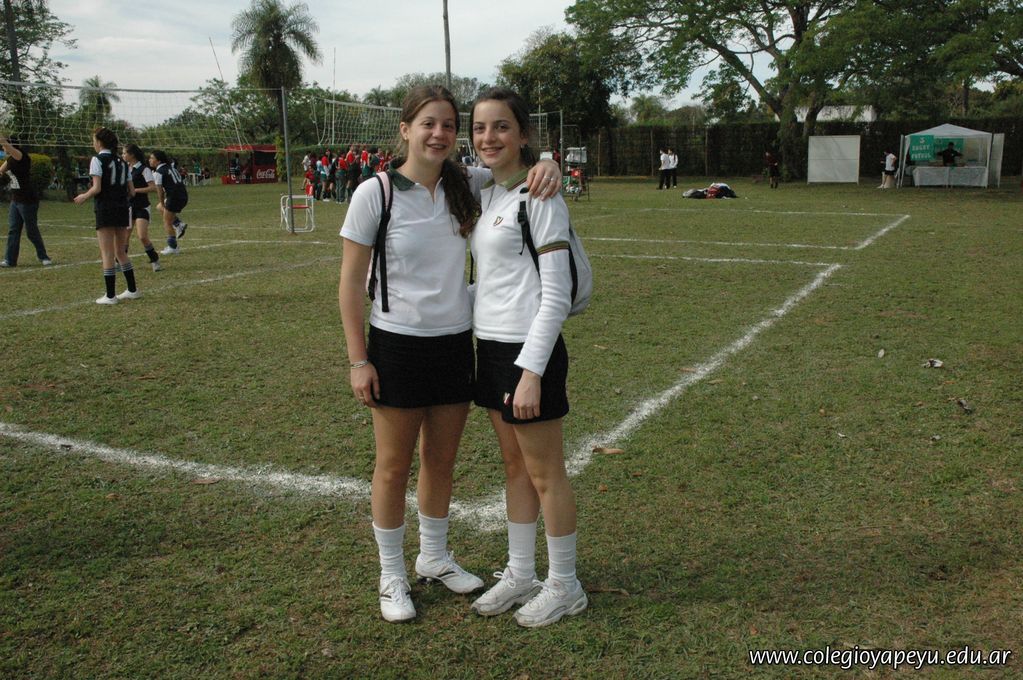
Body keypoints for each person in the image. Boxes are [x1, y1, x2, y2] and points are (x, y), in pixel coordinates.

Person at [338, 84, 562, 624]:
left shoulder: (467, 183)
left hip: (457, 344)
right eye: (428, 124)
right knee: (393, 466)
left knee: (440, 461)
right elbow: (349, 284)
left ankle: (434, 557)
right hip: (396, 345)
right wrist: (359, 360)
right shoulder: (375, 193)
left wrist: (549, 163)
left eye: (447, 125)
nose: (438, 134)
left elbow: (516, 167)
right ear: (405, 130)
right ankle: (392, 574)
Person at [466, 86, 587, 628]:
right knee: (514, 467)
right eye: (480, 128)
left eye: (501, 126)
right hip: (490, 348)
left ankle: (565, 585)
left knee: (545, 472)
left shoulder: (541, 196)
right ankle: (520, 572)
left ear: (523, 134)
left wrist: (532, 370)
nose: (489, 137)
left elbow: (556, 295)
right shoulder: (487, 192)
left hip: (528, 352)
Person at [73, 126, 139, 304]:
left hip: (106, 208)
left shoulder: (97, 159)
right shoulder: (123, 162)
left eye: (94, 140)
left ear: (100, 142)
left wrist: (84, 196)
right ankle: (132, 290)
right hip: (122, 208)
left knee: (107, 252)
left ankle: (110, 296)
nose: (93, 144)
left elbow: (97, 188)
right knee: (120, 251)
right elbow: (132, 191)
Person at [0, 135, 52, 268]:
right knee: (13, 230)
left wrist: (2, 139)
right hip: (15, 200)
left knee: (31, 231)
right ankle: (10, 260)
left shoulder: (21, 156)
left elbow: (7, 146)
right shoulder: (10, 159)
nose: (3, 148)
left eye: (4, 146)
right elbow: (1, 170)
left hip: (27, 200)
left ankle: (44, 257)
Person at [122, 144, 161, 271]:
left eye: (124, 153)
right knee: (125, 237)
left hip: (142, 206)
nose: (123, 155)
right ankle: (120, 263)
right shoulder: (125, 168)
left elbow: (153, 187)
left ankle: (155, 260)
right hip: (129, 206)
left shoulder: (144, 169)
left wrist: (135, 190)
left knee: (142, 236)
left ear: (132, 154)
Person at [149, 149, 189, 255]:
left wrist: (163, 203)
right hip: (183, 195)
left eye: (152, 158)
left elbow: (160, 191)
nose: (149, 160)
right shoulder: (170, 167)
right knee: (159, 207)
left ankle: (173, 247)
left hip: (174, 197)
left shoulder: (158, 172)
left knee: (166, 222)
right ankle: (178, 224)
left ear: (158, 160)